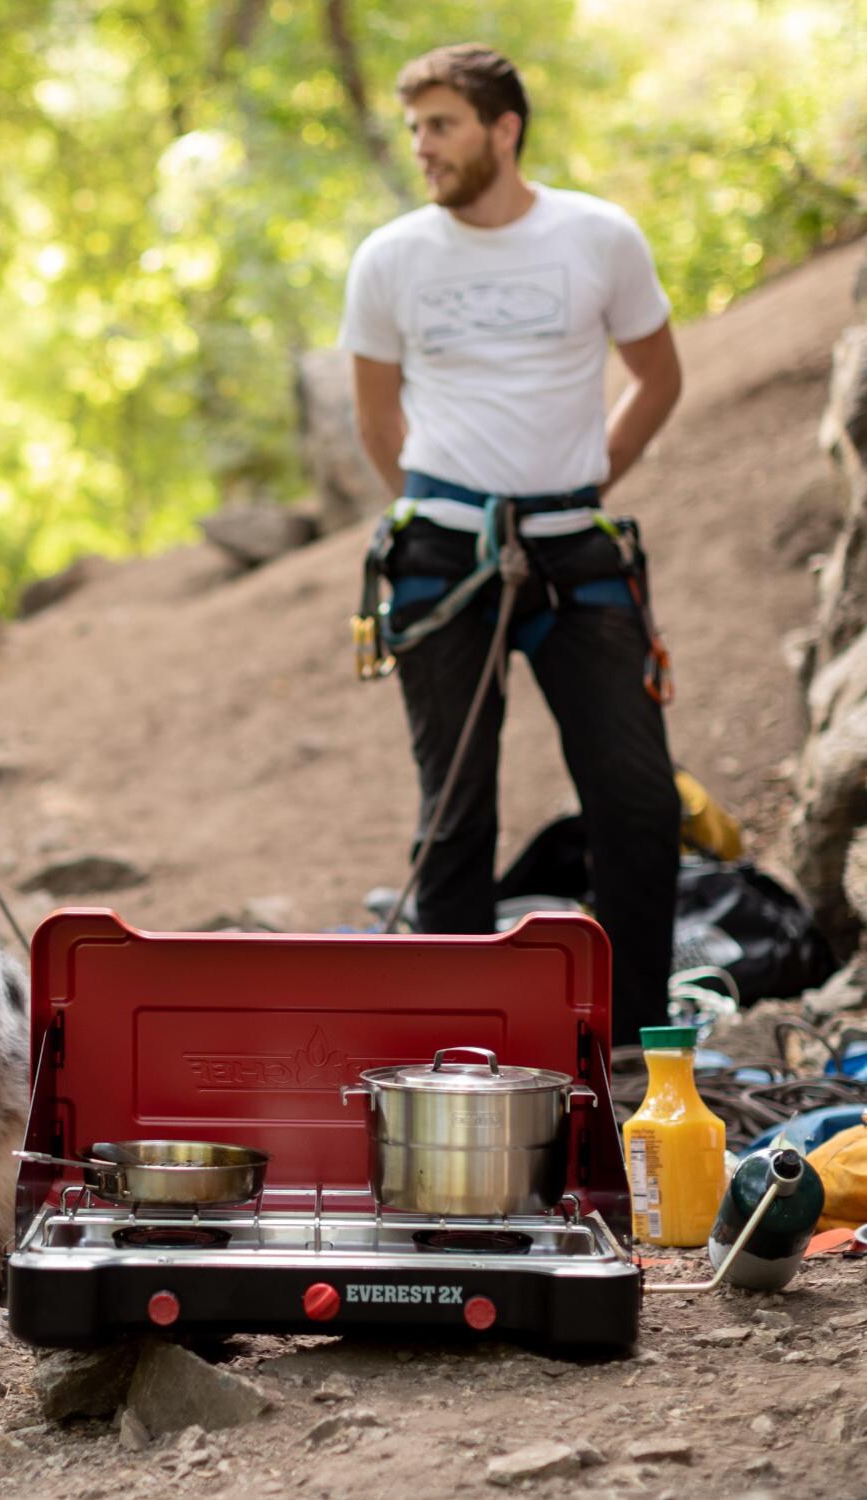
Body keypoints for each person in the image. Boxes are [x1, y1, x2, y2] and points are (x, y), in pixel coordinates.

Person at [340, 44, 684, 1045]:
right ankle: (461, 1054)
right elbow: (375, 420)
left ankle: (631, 1047)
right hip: (444, 562)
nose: (423, 148)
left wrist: (583, 482)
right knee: (455, 818)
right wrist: (452, 513)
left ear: (504, 129)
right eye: (414, 130)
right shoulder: (391, 259)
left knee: (638, 801)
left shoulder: (598, 238)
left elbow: (658, 378)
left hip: (578, 554)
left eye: (441, 125)